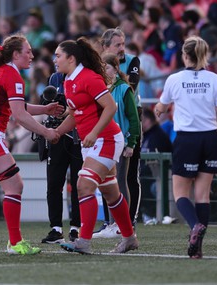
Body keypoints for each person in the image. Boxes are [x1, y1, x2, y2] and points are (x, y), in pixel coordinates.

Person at [0, 33, 62, 255]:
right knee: (15, 186)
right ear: (15, 54)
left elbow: (15, 106)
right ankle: (15, 243)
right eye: (28, 51)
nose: (32, 55)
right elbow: (19, 115)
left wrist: (43, 109)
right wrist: (46, 132)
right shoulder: (12, 75)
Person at [155, 35, 217, 259]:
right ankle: (197, 248)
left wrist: (158, 110)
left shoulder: (174, 79)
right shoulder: (215, 79)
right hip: (210, 138)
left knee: (180, 193)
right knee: (203, 196)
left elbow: (161, 107)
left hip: (187, 139)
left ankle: (194, 226)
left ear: (184, 55)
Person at [53, 37, 138, 254]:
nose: (55, 60)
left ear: (71, 58)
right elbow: (75, 115)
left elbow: (111, 107)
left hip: (106, 139)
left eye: (58, 55)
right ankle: (129, 238)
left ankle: (83, 241)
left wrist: (94, 132)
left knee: (83, 186)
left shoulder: (88, 77)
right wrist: (56, 132)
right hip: (91, 141)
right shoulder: (68, 80)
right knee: (111, 194)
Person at [92, 53, 140, 239]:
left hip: (121, 141)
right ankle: (112, 223)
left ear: (115, 68)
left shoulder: (123, 89)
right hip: (105, 141)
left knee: (120, 181)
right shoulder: (102, 89)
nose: (104, 71)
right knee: (108, 183)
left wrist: (131, 142)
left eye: (108, 67)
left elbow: (133, 118)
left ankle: (122, 224)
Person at [100, 27, 142, 230]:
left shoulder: (132, 61)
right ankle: (110, 222)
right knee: (108, 179)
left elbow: (132, 84)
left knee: (127, 176)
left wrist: (131, 140)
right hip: (107, 129)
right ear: (105, 47)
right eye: (117, 45)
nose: (122, 49)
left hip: (127, 125)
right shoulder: (98, 65)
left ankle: (127, 221)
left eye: (123, 44)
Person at [40, 72, 83, 244]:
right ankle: (56, 227)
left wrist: (65, 113)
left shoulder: (82, 76)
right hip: (57, 136)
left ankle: (76, 227)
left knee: (79, 183)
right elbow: (44, 101)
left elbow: (81, 107)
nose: (57, 61)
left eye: (60, 56)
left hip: (78, 136)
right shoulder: (53, 78)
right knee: (54, 183)